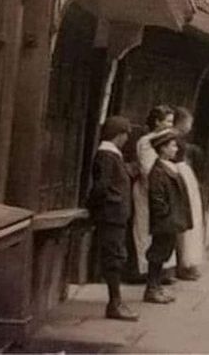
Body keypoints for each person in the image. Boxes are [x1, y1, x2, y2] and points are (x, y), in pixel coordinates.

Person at [88, 116, 138, 321]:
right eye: (125, 134)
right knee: (113, 258)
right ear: (119, 135)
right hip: (111, 215)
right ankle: (114, 304)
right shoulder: (107, 155)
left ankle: (116, 301)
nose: (127, 139)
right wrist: (97, 206)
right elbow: (101, 186)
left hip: (115, 214)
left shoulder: (112, 155)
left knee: (116, 256)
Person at [144, 129, 192, 304]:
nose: (176, 149)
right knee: (158, 253)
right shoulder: (158, 171)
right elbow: (157, 198)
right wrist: (165, 215)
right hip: (165, 220)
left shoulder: (168, 167)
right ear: (163, 148)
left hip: (170, 219)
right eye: (172, 146)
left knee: (164, 252)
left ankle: (156, 286)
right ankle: (151, 288)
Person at [132, 105, 175, 279]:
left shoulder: (168, 140)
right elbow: (147, 169)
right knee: (146, 230)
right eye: (167, 121)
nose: (170, 125)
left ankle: (162, 271)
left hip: (161, 191)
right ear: (157, 122)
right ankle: (146, 271)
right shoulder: (146, 142)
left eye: (172, 122)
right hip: (147, 190)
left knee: (164, 230)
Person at [173, 106, 204, 281]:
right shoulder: (174, 139)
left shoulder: (179, 140)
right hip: (181, 176)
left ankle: (186, 263)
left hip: (185, 176)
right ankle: (183, 264)